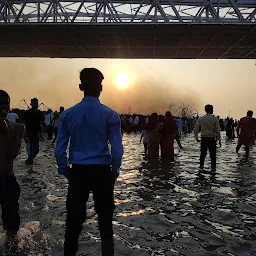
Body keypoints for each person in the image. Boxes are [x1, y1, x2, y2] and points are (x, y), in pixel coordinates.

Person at [55, 68, 123, 256]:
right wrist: (115, 171)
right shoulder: (110, 115)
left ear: (80, 86)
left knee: (73, 224)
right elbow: (116, 149)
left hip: (78, 172)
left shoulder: (68, 114)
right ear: (101, 87)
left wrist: (66, 170)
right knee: (105, 224)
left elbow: (60, 149)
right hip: (103, 172)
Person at [0, 90, 25, 249]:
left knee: (12, 227)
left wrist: (4, 132)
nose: (2, 107)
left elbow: (12, 154)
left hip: (7, 179)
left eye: (5, 104)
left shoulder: (17, 128)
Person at [194, 104, 221, 171]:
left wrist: (196, 138)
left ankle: (201, 168)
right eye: (212, 109)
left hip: (204, 139)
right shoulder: (215, 118)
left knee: (202, 154)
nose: (213, 110)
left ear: (205, 110)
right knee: (213, 155)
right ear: (210, 110)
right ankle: (213, 170)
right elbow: (218, 130)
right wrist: (219, 140)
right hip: (212, 139)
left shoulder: (201, 118)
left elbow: (196, 129)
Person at [22, 98, 44, 165]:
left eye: (37, 103)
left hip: (36, 134)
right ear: (31, 104)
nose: (36, 105)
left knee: (36, 150)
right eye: (34, 103)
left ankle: (29, 159)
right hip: (28, 133)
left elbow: (40, 125)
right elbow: (24, 124)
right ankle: (29, 165)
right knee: (31, 150)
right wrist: (25, 135)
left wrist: (42, 135)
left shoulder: (39, 113)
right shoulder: (27, 113)